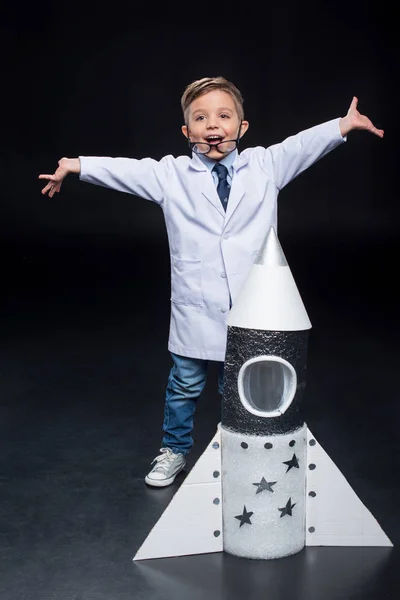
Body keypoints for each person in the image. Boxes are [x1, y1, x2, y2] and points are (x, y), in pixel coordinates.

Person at [39, 76, 384, 487]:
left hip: (250, 307)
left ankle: (241, 453)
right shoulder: (172, 175)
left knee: (236, 387)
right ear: (187, 132)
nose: (213, 125)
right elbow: (127, 171)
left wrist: (341, 126)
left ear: (243, 127)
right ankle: (174, 450)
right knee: (184, 383)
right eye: (201, 118)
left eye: (224, 116)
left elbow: (300, 146)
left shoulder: (266, 165)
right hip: (195, 306)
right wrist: (77, 165)